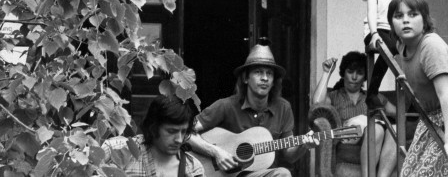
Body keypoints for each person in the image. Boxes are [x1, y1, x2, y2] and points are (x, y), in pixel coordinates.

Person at [188, 44, 318, 177]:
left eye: (269, 73)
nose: (265, 78)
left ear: (274, 81)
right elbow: (185, 133)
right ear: (245, 78)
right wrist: (216, 152)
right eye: (258, 72)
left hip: (260, 174)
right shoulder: (225, 106)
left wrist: (304, 145)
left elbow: (289, 156)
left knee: (283, 174)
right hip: (223, 174)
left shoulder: (283, 108)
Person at [387, 0, 448, 176]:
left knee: (440, 171)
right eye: (398, 16)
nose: (405, 20)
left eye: (413, 14)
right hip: (430, 115)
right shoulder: (401, 46)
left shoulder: (431, 46)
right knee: (410, 170)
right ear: (391, 23)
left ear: (425, 19)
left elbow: (446, 95)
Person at [312, 51, 398, 177]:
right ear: (343, 73)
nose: (354, 77)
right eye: (350, 71)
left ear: (364, 76)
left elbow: (399, 114)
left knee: (394, 129)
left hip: (374, 138)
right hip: (349, 136)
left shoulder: (373, 97)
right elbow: (317, 103)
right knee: (376, 129)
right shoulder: (335, 96)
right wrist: (326, 73)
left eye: (360, 73)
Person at [362, 0, 419, 105]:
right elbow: (371, 13)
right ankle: (373, 92)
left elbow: (410, 9)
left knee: (411, 49)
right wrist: (374, 34)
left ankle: (415, 95)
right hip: (376, 30)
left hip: (395, 32)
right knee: (392, 46)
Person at [102, 95, 204, 177]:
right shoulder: (116, 148)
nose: (179, 139)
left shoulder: (192, 169)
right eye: (171, 131)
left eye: (183, 132)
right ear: (153, 127)